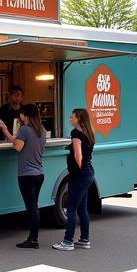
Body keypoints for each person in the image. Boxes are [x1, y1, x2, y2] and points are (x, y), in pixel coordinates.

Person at [0, 103, 46, 249]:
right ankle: (33, 237)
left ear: (25, 115)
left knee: (31, 208)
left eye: (21, 114)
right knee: (34, 206)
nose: (19, 116)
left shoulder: (25, 130)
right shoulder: (42, 130)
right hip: (39, 173)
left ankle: (33, 239)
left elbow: (18, 147)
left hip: (26, 175)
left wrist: (5, 130)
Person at [53, 108, 96, 253]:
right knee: (82, 209)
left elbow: (78, 156)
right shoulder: (89, 132)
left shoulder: (76, 134)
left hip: (79, 176)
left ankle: (67, 241)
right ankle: (84, 239)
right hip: (89, 174)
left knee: (71, 209)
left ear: (79, 119)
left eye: (72, 117)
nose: (70, 118)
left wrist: (77, 169)